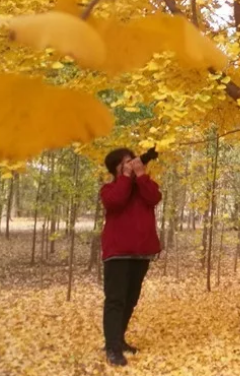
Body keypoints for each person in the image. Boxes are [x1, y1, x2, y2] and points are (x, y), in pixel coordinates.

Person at [100, 148, 162, 367]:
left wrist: (141, 175)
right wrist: (126, 177)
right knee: (116, 300)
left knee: (130, 299)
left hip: (141, 253)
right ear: (116, 168)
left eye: (132, 161)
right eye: (126, 163)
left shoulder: (143, 185)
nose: (132, 165)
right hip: (117, 253)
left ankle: (119, 339)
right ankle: (112, 348)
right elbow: (115, 202)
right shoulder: (109, 189)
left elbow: (155, 197)